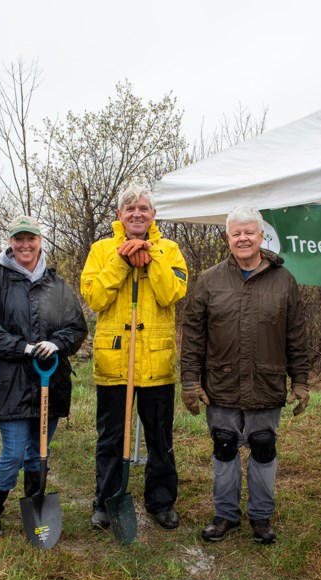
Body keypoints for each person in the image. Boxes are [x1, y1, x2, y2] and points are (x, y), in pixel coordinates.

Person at [180, 205, 312, 545]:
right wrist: (190, 382)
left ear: (260, 236)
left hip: (266, 384)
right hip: (221, 384)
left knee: (263, 448)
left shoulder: (284, 282)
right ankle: (225, 515)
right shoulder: (209, 281)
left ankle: (261, 516)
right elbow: (193, 335)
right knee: (224, 447)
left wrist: (300, 380)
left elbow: (296, 335)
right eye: (236, 232)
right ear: (228, 237)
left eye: (249, 232)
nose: (243, 238)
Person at [0, 215, 87, 542]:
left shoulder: (56, 284)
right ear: (10, 242)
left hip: (49, 381)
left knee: (39, 451)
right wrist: (23, 347)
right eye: (19, 239)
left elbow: (76, 328)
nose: (25, 245)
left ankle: (34, 507)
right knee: (12, 454)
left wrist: (57, 343)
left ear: (40, 242)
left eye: (31, 239)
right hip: (11, 384)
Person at [80, 183, 188, 531]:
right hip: (115, 363)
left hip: (156, 364)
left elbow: (172, 292)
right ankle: (106, 501)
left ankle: (161, 501)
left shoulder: (169, 250)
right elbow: (95, 298)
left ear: (153, 215)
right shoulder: (100, 250)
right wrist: (121, 260)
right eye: (130, 209)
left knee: (160, 437)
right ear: (120, 215)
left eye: (143, 209)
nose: (137, 214)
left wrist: (150, 256)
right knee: (111, 437)